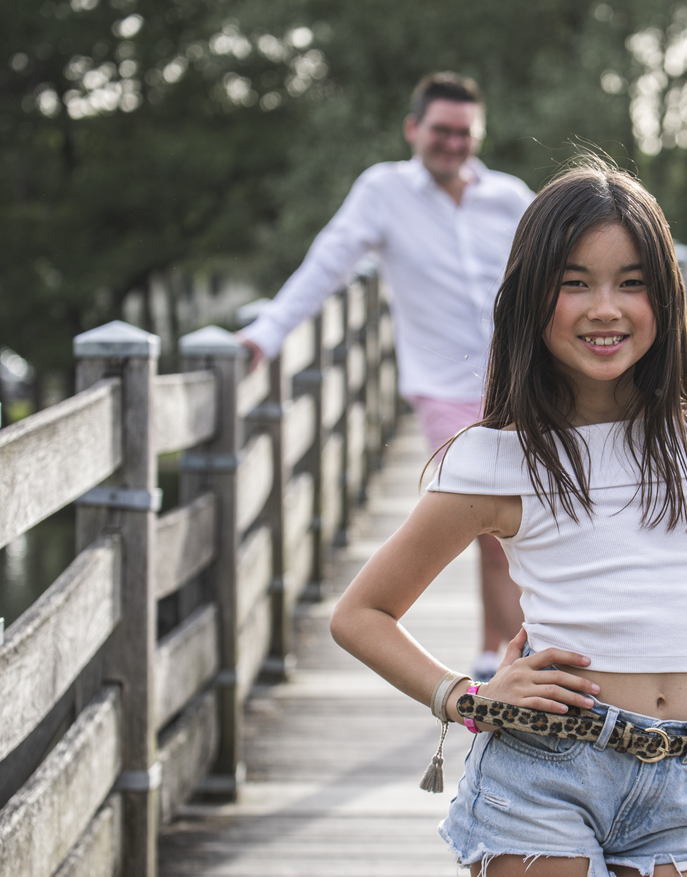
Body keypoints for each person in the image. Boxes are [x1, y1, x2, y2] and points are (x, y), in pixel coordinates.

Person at [329, 160, 687, 876]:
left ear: (665, 296)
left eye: (631, 283)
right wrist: (467, 697)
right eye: (575, 283)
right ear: (531, 297)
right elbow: (361, 613)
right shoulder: (497, 457)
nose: (605, 308)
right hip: (542, 772)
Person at [237, 72, 534, 682]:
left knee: (524, 521)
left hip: (525, 381)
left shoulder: (509, 198)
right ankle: (515, 661)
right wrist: (266, 334)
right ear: (413, 129)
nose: (453, 143)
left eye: (465, 133)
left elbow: (567, 257)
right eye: (441, 130)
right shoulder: (383, 191)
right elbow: (327, 264)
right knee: (491, 514)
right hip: (445, 388)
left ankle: (494, 647)